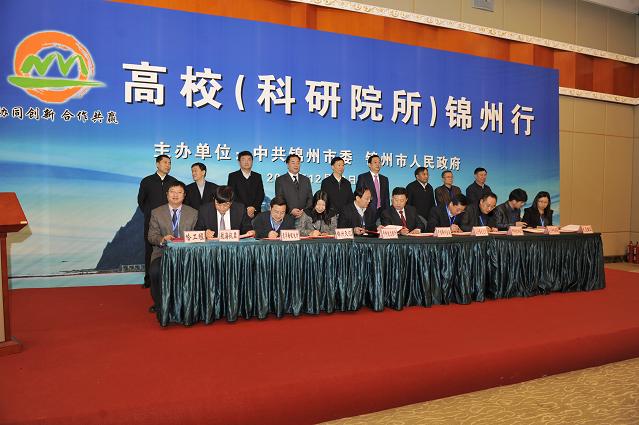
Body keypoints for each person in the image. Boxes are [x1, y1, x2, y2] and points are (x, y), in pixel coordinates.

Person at [147, 181, 198, 313]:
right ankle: (159, 304)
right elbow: (151, 236)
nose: (175, 195)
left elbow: (197, 235)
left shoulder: (193, 213)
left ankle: (189, 304)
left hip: (187, 253)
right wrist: (162, 239)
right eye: (172, 192)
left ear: (184, 195)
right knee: (155, 271)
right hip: (163, 253)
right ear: (167, 194)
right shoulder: (157, 212)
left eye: (179, 192)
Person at [137, 154, 177, 288]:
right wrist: (150, 214)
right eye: (165, 162)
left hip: (170, 222)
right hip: (151, 222)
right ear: (157, 164)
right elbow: (141, 201)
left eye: (170, 163)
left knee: (171, 247)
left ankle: (171, 279)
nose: (168, 165)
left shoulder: (173, 182)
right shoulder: (147, 181)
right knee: (149, 250)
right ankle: (148, 279)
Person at [227, 150, 265, 220]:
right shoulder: (233, 176)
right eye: (243, 159)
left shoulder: (257, 176)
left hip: (255, 213)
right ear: (239, 162)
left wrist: (253, 207)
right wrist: (246, 209)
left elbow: (261, 194)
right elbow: (232, 194)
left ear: (252, 162)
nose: (246, 162)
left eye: (249, 159)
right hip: (239, 213)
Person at [275, 154, 312, 220]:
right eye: (293, 162)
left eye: (298, 163)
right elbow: (279, 199)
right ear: (287, 165)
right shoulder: (280, 180)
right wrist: (290, 210)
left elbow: (310, 198)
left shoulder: (306, 180)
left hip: (304, 218)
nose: (296, 165)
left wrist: (304, 211)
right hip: (287, 217)